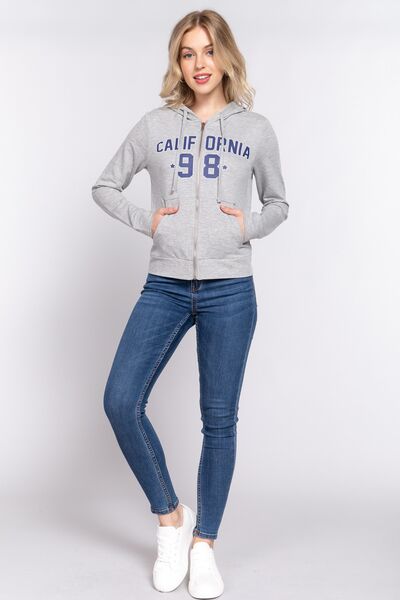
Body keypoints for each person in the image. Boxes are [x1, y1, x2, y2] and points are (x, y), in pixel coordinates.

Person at [91, 9, 288, 599]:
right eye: (187, 53)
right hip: (166, 284)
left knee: (219, 419)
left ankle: (205, 546)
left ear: (225, 55)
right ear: (177, 62)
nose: (199, 64)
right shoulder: (155, 125)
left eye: (207, 50)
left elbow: (278, 202)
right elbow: (105, 186)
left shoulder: (255, 130)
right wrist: (147, 221)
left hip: (230, 289)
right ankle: (171, 519)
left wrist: (247, 227)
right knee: (121, 399)